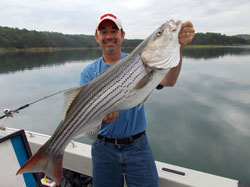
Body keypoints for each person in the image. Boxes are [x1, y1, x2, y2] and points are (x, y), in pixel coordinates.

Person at [79, 13, 194, 187]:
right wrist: (100, 117)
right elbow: (84, 117)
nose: (109, 36)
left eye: (114, 31)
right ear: (97, 37)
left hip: (137, 146)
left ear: (122, 35)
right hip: (103, 149)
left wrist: (177, 46)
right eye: (103, 32)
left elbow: (169, 81)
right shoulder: (88, 72)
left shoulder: (142, 62)